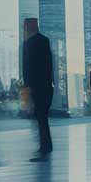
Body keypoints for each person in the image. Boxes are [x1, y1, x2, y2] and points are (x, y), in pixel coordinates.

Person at [20, 18, 56, 159]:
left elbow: (27, 67)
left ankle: (45, 146)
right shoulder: (44, 41)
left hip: (35, 86)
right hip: (46, 85)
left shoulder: (28, 44)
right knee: (43, 117)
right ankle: (46, 145)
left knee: (40, 117)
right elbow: (49, 64)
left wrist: (27, 86)